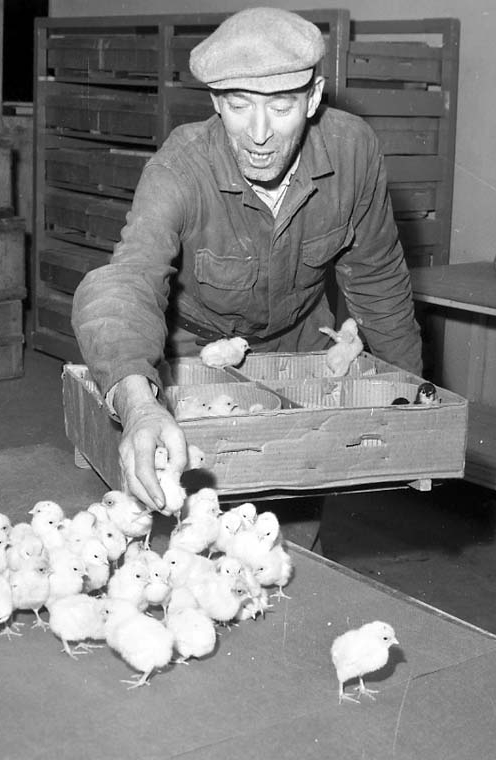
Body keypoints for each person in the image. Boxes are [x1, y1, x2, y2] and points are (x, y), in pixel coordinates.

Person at [71, 7, 422, 545]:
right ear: (215, 101)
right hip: (193, 353)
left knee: (286, 535)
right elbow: (126, 280)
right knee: (185, 528)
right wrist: (139, 405)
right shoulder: (179, 168)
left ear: (313, 97)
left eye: (281, 107)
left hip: (299, 350)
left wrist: (410, 402)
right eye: (239, 106)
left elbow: (379, 280)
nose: (259, 134)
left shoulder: (354, 151)